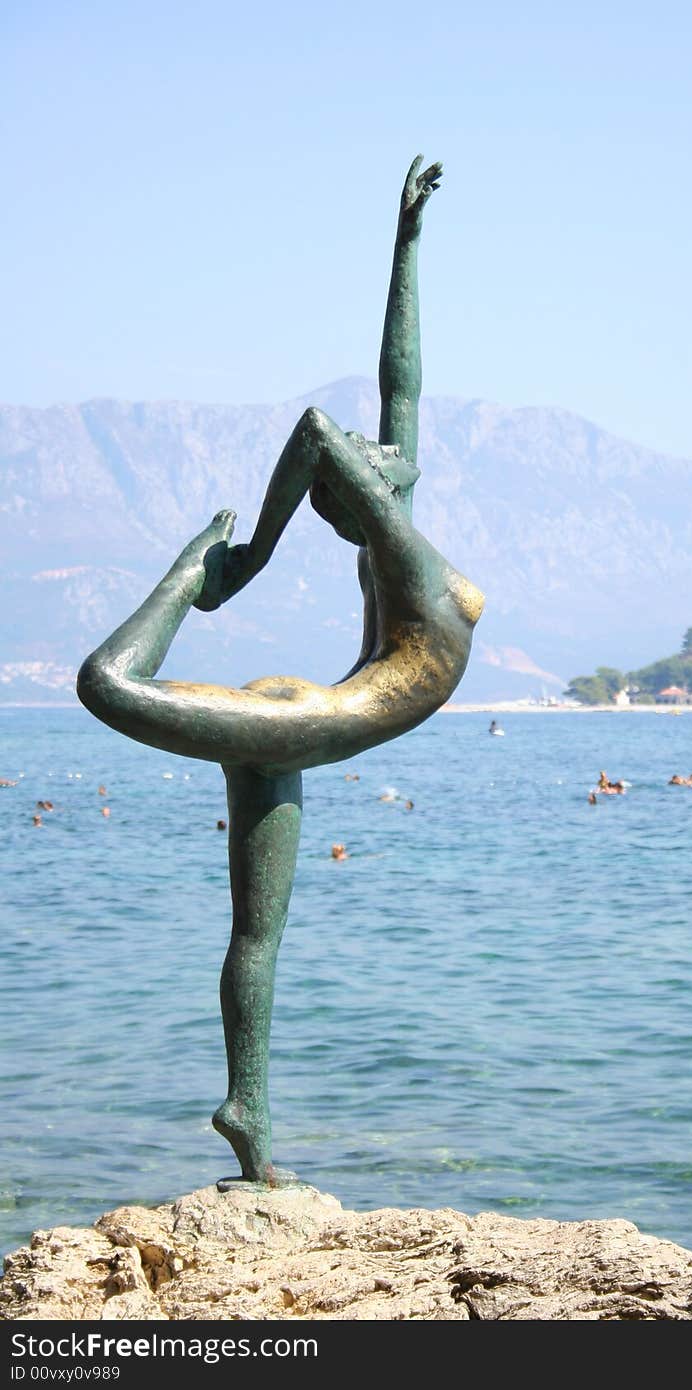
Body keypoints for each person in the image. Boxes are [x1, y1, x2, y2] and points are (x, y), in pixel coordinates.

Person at [76, 156, 483, 1188]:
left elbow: (403, 385)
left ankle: (247, 1109)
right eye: (363, 455)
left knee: (258, 932)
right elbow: (317, 432)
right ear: (357, 495)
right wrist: (238, 559)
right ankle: (179, 581)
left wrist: (407, 244)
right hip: (306, 718)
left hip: (302, 718)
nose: (370, 442)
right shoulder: (407, 563)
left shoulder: (393, 544)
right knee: (106, 682)